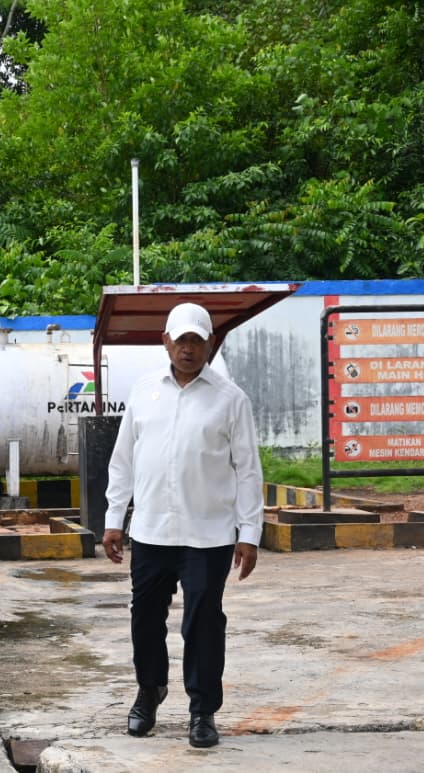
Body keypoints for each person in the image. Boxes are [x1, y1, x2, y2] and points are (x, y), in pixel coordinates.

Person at [101, 301, 264, 749]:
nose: (188, 349)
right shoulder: (143, 392)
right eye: (181, 340)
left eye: (197, 340)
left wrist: (249, 533)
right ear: (166, 342)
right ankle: (149, 690)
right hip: (151, 531)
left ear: (209, 344)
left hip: (208, 534)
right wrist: (115, 519)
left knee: (203, 622)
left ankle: (202, 710)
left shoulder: (230, 400)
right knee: (145, 618)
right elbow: (123, 462)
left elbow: (248, 470)